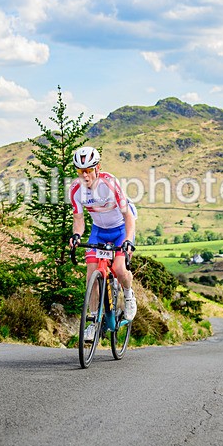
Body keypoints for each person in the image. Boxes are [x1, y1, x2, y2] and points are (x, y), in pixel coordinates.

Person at [68, 146, 137, 342]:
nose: (85, 175)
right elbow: (79, 219)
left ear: (97, 168)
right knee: (91, 273)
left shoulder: (110, 184)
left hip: (120, 229)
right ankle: (93, 323)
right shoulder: (75, 190)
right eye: (80, 171)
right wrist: (76, 236)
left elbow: (128, 216)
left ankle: (128, 294)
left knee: (119, 268)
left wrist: (129, 241)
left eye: (88, 170)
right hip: (99, 231)